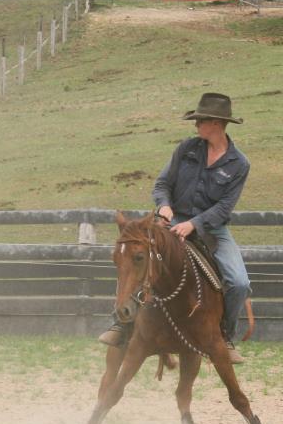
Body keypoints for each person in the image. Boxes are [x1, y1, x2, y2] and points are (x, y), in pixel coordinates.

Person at [99, 92, 251, 364]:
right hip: (171, 221)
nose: (196, 125)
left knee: (239, 283)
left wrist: (194, 224)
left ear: (216, 124)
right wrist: (164, 205)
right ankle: (121, 324)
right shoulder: (186, 149)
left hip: (211, 229)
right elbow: (162, 184)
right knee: (137, 260)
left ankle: (224, 335)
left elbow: (224, 207)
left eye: (200, 120)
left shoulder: (239, 164)